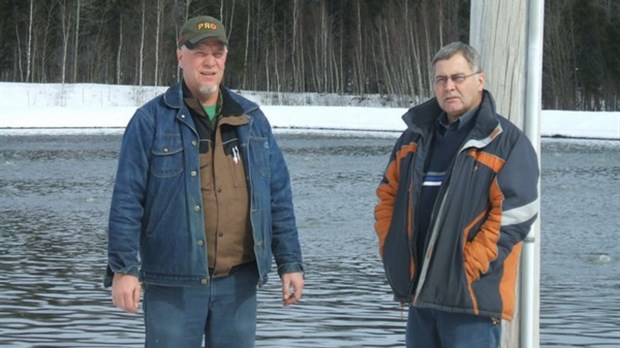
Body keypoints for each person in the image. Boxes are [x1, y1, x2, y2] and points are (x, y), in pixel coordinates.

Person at [104, 15, 304, 347]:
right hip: (173, 284)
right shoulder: (150, 121)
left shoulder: (252, 120)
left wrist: (290, 263)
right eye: (199, 52)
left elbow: (278, 196)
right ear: (180, 55)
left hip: (238, 283)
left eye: (217, 52)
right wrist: (123, 270)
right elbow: (127, 200)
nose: (209, 62)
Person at [374, 41, 539, 347]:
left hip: (470, 300)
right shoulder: (415, 137)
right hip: (420, 294)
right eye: (441, 79)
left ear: (480, 80)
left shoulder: (505, 142)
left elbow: (517, 213)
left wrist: (466, 267)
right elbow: (387, 196)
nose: (449, 86)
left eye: (457, 77)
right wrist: (391, 246)